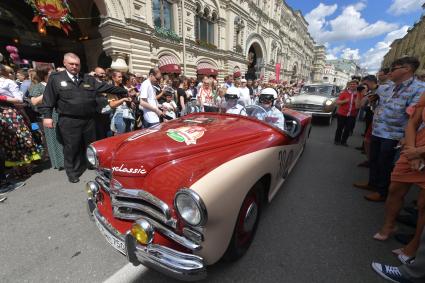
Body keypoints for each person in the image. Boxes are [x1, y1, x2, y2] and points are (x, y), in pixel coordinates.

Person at [39, 53, 127, 183]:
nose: (74, 67)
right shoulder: (56, 78)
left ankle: (90, 164)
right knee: (71, 147)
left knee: (90, 144)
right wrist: (47, 116)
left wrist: (123, 91)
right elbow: (48, 98)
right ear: (64, 63)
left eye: (77, 64)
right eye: (71, 64)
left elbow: (104, 87)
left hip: (88, 119)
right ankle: (72, 171)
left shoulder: (87, 78)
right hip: (69, 120)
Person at [354, 57, 425, 202]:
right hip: (378, 130)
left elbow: (417, 118)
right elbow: (368, 103)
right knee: (373, 160)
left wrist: (408, 138)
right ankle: (372, 184)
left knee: (385, 164)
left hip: (395, 135)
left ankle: (382, 192)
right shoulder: (388, 87)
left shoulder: (420, 89)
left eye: (393, 69)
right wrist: (371, 98)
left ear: (407, 69)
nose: (389, 72)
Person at [373, 92, 425, 262]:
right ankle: (389, 225)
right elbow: (413, 122)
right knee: (394, 188)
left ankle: (415, 244)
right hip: (414, 146)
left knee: (423, 204)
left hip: (419, 150)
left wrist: (419, 152)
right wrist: (413, 151)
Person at [0, 64, 41, 180]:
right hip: (2, 115)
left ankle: (26, 168)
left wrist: (3, 98)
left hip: (10, 113)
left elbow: (19, 99)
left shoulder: (8, 82)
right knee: (7, 143)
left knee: (19, 140)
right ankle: (16, 170)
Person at [29, 66, 64, 170]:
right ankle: (60, 162)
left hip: (63, 113)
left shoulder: (59, 83)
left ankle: (72, 160)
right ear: (44, 75)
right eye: (51, 73)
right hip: (50, 115)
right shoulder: (38, 86)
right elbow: (34, 101)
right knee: (55, 139)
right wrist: (49, 91)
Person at [334, 80, 362, 146]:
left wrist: (358, 97)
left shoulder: (359, 94)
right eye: (351, 84)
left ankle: (344, 141)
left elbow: (359, 106)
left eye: (354, 84)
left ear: (357, 85)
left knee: (348, 129)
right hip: (342, 114)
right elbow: (337, 102)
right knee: (340, 128)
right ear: (349, 85)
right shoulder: (344, 93)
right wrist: (345, 101)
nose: (352, 85)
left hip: (352, 115)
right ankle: (337, 140)